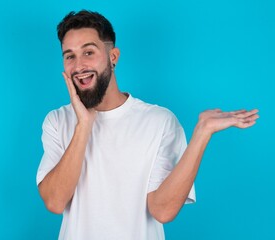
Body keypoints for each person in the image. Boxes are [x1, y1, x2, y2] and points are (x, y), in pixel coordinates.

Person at [36, 10, 259, 240]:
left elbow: (162, 210)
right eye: (69, 56)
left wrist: (202, 133)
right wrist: (83, 124)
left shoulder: (159, 121)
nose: (79, 65)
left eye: (89, 52)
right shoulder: (57, 121)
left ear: (113, 56)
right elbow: (55, 201)